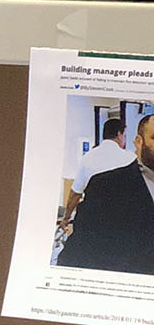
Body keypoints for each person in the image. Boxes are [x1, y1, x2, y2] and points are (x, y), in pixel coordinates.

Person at [59, 115, 154, 276]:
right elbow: (78, 255)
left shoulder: (88, 157)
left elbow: (76, 192)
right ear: (137, 141)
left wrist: (66, 218)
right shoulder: (104, 184)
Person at [62, 116, 133, 227]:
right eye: (124, 136)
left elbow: (75, 194)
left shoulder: (88, 157)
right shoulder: (130, 158)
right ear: (119, 135)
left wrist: (66, 218)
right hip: (121, 220)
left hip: (93, 219)